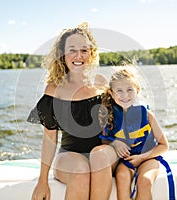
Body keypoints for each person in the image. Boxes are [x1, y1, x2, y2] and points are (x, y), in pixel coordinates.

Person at [27, 22, 118, 200]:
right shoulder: (54, 91)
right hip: (69, 155)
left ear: (91, 53)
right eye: (72, 50)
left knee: (98, 157)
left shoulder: (102, 84)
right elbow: (49, 138)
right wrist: (42, 180)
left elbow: (125, 116)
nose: (78, 55)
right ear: (62, 54)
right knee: (80, 170)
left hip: (103, 154)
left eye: (84, 50)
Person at [100, 69, 175, 200]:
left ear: (137, 90)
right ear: (112, 94)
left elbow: (164, 145)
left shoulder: (146, 114)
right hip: (126, 161)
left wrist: (142, 158)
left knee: (145, 181)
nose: (125, 95)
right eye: (119, 91)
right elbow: (104, 141)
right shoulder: (109, 116)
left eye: (130, 90)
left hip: (148, 158)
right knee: (122, 177)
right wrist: (114, 143)